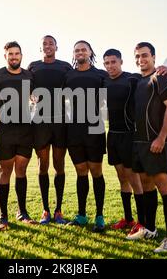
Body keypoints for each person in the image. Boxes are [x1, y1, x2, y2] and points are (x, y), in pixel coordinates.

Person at [103, 49, 167, 234]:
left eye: (113, 62)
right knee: (121, 178)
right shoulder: (104, 79)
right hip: (113, 135)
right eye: (107, 63)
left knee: (135, 179)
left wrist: (163, 69)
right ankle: (128, 218)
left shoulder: (132, 78)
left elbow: (151, 76)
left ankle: (142, 221)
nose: (111, 66)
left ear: (121, 62)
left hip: (130, 135)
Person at [127, 42, 167, 253]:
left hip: (156, 142)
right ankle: (149, 228)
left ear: (154, 57)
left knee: (164, 187)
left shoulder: (162, 78)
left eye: (145, 55)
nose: (141, 59)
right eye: (138, 56)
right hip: (138, 143)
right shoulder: (137, 81)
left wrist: (162, 137)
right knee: (146, 185)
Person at [27, 35, 72, 224]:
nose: (47, 46)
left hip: (61, 121)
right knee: (42, 165)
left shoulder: (65, 66)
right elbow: (25, 87)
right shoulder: (33, 66)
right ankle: (45, 210)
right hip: (40, 121)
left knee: (59, 165)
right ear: (40, 48)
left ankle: (58, 210)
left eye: (51, 43)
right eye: (44, 44)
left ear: (56, 46)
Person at [64, 40, 107, 233]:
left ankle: (99, 216)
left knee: (96, 171)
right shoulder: (68, 75)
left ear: (90, 52)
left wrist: (158, 71)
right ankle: (81, 215)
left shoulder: (101, 75)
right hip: (74, 129)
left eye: (83, 49)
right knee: (81, 171)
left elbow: (122, 79)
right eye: (76, 50)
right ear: (74, 54)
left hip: (95, 128)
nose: (80, 52)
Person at [0, 41, 36, 230]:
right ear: (5, 56)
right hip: (5, 130)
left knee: (21, 170)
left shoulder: (29, 75)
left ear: (21, 56)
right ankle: (3, 216)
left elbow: (35, 95)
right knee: (4, 171)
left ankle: (22, 212)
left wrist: (35, 98)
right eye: (10, 54)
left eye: (17, 53)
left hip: (25, 129)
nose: (14, 57)